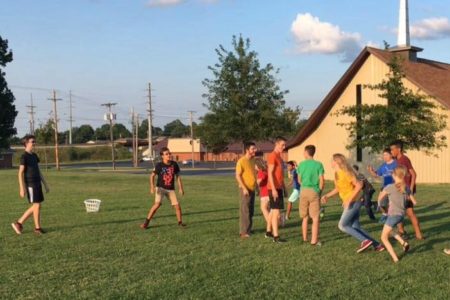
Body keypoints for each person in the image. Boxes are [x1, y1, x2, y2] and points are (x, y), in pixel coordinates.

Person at [321, 154, 384, 253]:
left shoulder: (346, 172)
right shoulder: (336, 174)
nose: (331, 162)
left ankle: (365, 241)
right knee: (355, 227)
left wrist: (348, 200)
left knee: (342, 225)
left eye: (332, 160)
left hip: (354, 202)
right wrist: (327, 196)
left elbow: (359, 185)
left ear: (337, 162)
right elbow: (338, 188)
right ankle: (377, 245)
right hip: (351, 202)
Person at [12, 135, 50, 235]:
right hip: (30, 184)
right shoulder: (24, 156)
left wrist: (45, 184)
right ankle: (37, 228)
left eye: (34, 141)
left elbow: (38, 170)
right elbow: (20, 173)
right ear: (26, 143)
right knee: (36, 205)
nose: (34, 143)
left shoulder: (34, 156)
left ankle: (19, 223)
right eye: (32, 141)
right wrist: (22, 188)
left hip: (37, 183)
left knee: (37, 206)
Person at [140, 147, 185, 230]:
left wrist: (181, 188)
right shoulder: (159, 165)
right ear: (162, 156)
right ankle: (146, 223)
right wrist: (152, 187)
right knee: (157, 205)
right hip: (160, 188)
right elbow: (152, 176)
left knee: (177, 206)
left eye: (169, 153)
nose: (169, 155)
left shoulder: (174, 164)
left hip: (170, 189)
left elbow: (178, 176)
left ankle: (180, 223)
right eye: (166, 154)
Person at [390, 140, 424, 240]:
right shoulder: (397, 160)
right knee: (399, 211)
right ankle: (401, 231)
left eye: (392, 149)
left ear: (399, 149)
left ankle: (418, 234)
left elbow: (414, 174)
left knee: (410, 213)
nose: (391, 151)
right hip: (400, 191)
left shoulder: (404, 159)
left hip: (406, 191)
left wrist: (411, 189)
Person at [377, 166, 412, 263]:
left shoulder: (389, 187)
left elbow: (380, 198)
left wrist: (380, 205)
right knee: (390, 230)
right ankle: (403, 242)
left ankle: (395, 258)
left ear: (394, 175)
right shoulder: (406, 188)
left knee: (383, 237)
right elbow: (408, 199)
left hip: (393, 215)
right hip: (401, 215)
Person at [297, 145, 324, 245]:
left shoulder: (301, 164)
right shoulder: (318, 164)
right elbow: (322, 181)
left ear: (306, 152)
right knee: (315, 217)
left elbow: (299, 180)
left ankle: (304, 238)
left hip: (303, 190)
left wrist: (304, 184)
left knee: (304, 216)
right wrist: (319, 192)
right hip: (314, 191)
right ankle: (314, 240)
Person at [367, 148, 398, 223]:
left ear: (391, 154)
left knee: (392, 205)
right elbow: (376, 175)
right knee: (380, 203)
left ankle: (391, 219)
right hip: (385, 187)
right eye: (383, 155)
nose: (384, 156)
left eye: (386, 155)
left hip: (394, 187)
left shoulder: (396, 164)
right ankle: (385, 214)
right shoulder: (383, 165)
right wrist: (371, 171)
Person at [267, 136, 288, 243]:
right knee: (276, 212)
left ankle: (268, 232)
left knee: (273, 211)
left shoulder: (279, 157)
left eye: (284, 145)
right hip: (273, 188)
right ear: (276, 144)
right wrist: (274, 189)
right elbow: (270, 173)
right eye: (282, 145)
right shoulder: (272, 156)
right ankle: (276, 236)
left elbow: (280, 175)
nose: (283, 147)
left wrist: (284, 188)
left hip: (279, 187)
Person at [235, 142, 258, 238]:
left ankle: (248, 229)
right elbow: (237, 176)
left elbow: (253, 174)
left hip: (252, 188)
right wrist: (244, 188)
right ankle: (243, 232)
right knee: (245, 210)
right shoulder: (241, 161)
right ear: (247, 150)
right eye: (253, 149)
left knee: (251, 210)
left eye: (255, 148)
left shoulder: (253, 160)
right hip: (245, 189)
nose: (255, 150)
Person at [255, 158, 271, 236]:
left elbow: (260, 180)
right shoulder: (267, 170)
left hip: (265, 193)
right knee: (268, 209)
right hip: (269, 192)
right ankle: (279, 219)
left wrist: (256, 184)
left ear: (257, 165)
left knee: (263, 208)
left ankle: (270, 223)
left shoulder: (261, 172)